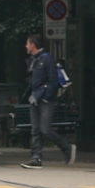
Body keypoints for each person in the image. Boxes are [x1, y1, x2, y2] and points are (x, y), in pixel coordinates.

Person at [20, 34, 76, 169]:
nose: (26, 46)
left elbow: (53, 80)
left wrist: (46, 97)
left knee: (45, 129)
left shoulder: (47, 59)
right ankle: (36, 158)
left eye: (27, 43)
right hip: (35, 98)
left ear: (33, 45)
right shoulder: (34, 60)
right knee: (35, 130)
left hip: (45, 99)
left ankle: (67, 148)